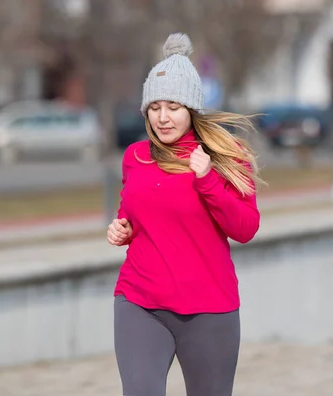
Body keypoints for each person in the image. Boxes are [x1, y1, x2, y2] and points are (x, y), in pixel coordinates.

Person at [107, 32, 264, 396]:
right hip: (140, 302)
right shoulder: (136, 156)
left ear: (192, 109)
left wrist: (207, 178)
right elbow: (131, 213)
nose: (163, 118)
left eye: (173, 107)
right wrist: (122, 229)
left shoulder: (227, 155)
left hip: (209, 309)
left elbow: (245, 228)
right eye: (155, 107)